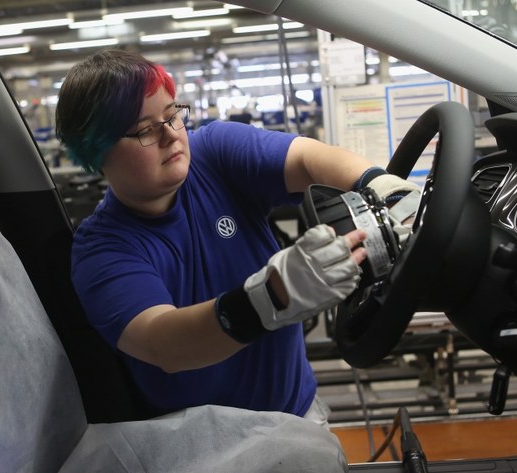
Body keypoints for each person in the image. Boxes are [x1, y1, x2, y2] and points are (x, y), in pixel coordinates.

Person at [55, 49, 418, 427]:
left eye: (172, 114)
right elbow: (162, 343)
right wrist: (270, 297)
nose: (170, 135)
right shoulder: (101, 248)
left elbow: (308, 158)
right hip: (198, 451)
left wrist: (381, 187)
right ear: (98, 153)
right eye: (145, 129)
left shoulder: (211, 152)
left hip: (296, 418)